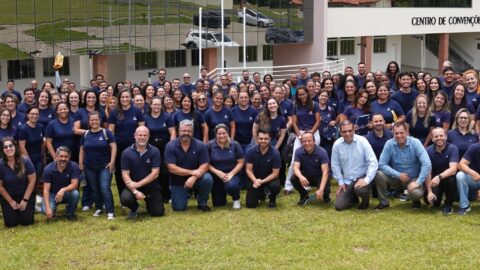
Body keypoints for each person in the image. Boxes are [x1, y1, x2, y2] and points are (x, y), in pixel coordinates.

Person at [375, 122, 432, 210]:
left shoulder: (415, 142)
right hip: (397, 178)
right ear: (392, 133)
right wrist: (398, 175)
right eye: (396, 133)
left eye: (401, 133)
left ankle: (416, 201)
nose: (399, 136)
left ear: (406, 132)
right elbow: (382, 164)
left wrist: (418, 182)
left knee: (416, 194)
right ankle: (384, 202)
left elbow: (427, 164)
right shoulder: (389, 144)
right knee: (379, 174)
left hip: (413, 178)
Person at [165, 120, 213, 212]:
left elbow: (205, 165)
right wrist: (192, 172)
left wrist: (194, 176)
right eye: (183, 131)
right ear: (179, 131)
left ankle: (202, 202)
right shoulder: (170, 146)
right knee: (179, 208)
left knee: (207, 179)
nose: (186, 133)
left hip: (197, 178)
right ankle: (187, 193)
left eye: (189, 131)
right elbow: (171, 168)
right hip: (177, 180)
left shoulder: (200, 145)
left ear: (192, 132)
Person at [331, 120, 378, 211]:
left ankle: (365, 201)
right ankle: (353, 197)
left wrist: (366, 180)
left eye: (350, 130)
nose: (347, 133)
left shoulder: (362, 141)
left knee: (359, 189)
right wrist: (340, 182)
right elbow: (335, 164)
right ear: (340, 132)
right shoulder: (337, 145)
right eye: (344, 131)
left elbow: (373, 162)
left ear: (354, 130)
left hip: (362, 177)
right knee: (339, 206)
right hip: (348, 180)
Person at [108, 89, 145, 202]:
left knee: (136, 172)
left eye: (127, 97)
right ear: (119, 99)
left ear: (131, 98)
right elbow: (110, 133)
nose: (124, 99)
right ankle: (123, 199)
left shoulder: (137, 111)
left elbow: (142, 130)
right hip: (119, 149)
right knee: (120, 174)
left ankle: (135, 195)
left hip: (135, 148)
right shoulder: (114, 112)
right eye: (122, 97)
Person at [120, 126, 165, 219]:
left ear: (148, 137)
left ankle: (149, 203)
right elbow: (125, 174)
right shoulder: (126, 153)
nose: (142, 137)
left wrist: (138, 184)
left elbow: (155, 174)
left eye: (145, 135)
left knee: (158, 213)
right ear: (135, 136)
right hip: (133, 186)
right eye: (140, 135)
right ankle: (134, 208)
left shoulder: (155, 151)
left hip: (151, 186)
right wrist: (135, 191)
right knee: (125, 199)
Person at [79, 111, 117, 220]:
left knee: (104, 188)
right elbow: (82, 149)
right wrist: (81, 163)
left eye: (96, 119)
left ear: (99, 120)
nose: (94, 122)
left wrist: (112, 161)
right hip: (89, 166)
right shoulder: (86, 134)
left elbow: (113, 147)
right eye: (92, 120)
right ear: (89, 122)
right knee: (94, 188)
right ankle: (99, 207)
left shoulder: (106, 133)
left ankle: (110, 211)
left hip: (104, 166)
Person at [144, 96, 176, 203]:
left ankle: (167, 196)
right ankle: (154, 194)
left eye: (158, 104)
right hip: (151, 148)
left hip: (165, 147)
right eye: (154, 104)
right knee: (151, 171)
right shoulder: (145, 117)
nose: (156, 106)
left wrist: (171, 146)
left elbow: (173, 132)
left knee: (164, 172)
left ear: (161, 106)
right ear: (151, 105)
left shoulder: (167, 117)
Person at [0, 139, 36, 228]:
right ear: (2, 150)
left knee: (27, 222)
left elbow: (32, 180)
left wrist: (25, 200)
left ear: (15, 147)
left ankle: (24, 212)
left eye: (10, 146)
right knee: (11, 224)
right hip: (9, 196)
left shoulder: (25, 160)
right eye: (5, 147)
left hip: (25, 194)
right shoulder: (0, 164)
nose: (8, 149)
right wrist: (11, 201)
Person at [207, 124, 244, 209]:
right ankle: (222, 192)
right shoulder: (210, 145)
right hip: (216, 175)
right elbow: (206, 163)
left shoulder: (235, 144)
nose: (222, 136)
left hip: (232, 174)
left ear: (228, 133)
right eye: (219, 134)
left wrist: (231, 174)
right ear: (215, 135)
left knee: (231, 186)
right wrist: (218, 172)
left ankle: (236, 198)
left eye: (224, 133)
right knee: (218, 203)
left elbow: (241, 162)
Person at [425, 128, 459, 215]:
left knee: (450, 179)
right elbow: (427, 172)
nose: (439, 138)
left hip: (448, 180)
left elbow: (453, 169)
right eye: (436, 136)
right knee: (428, 200)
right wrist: (429, 192)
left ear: (446, 137)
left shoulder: (453, 148)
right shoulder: (428, 151)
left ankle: (448, 204)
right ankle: (437, 201)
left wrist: (439, 177)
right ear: (432, 138)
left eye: (441, 136)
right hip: (434, 182)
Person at [42, 146, 81, 221]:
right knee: (44, 210)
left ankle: (70, 213)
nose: (63, 159)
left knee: (75, 193)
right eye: (61, 156)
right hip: (52, 194)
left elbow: (75, 184)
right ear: (56, 156)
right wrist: (47, 208)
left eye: (66, 157)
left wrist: (63, 190)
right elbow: (46, 191)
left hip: (67, 193)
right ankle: (52, 211)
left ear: (69, 157)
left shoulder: (74, 166)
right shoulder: (48, 169)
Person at [245, 129, 281, 208]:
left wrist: (262, 181)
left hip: (269, 180)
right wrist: (255, 180)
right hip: (255, 179)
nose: (263, 141)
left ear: (270, 139)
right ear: (257, 138)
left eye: (266, 138)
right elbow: (248, 170)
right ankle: (261, 194)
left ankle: (272, 199)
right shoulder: (251, 151)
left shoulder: (275, 153)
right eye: (261, 138)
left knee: (276, 185)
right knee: (250, 205)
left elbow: (275, 174)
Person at [291, 132, 330, 205]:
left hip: (319, 177)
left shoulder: (322, 152)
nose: (307, 143)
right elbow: (295, 167)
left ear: (314, 141)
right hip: (306, 176)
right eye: (304, 141)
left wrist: (321, 189)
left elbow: (325, 172)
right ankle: (304, 195)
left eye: (309, 141)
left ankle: (326, 196)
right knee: (293, 178)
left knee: (325, 189)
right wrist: (301, 177)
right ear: (301, 142)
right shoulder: (298, 151)